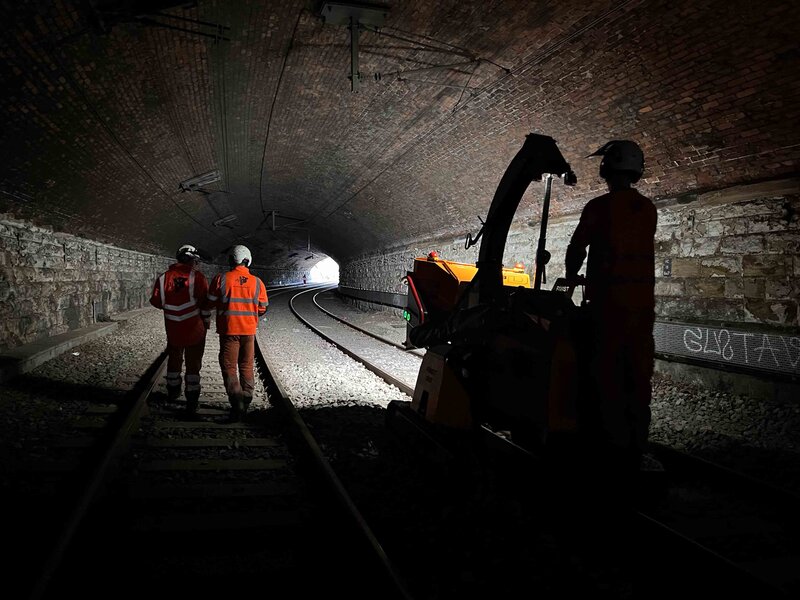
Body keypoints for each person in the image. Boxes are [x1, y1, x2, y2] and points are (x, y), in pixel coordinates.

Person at [565, 140, 657, 473]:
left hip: (606, 308)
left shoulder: (598, 207)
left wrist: (570, 274)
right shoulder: (648, 209)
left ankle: (604, 448)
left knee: (603, 376)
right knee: (637, 376)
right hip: (642, 310)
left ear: (606, 169)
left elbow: (577, 249)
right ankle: (635, 448)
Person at [206, 245, 268, 421]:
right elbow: (263, 308)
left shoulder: (221, 279)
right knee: (246, 365)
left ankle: (237, 401)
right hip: (248, 332)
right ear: (248, 260)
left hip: (229, 331)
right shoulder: (257, 282)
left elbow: (209, 303)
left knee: (229, 367)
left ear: (231, 260)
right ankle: (247, 398)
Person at [149, 244, 211, 416]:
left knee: (174, 360)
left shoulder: (163, 278)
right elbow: (205, 304)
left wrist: (173, 306)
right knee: (193, 364)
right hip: (195, 329)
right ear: (193, 260)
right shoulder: (197, 277)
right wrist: (206, 322)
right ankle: (192, 399)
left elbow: (156, 301)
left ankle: (173, 391)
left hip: (173, 327)